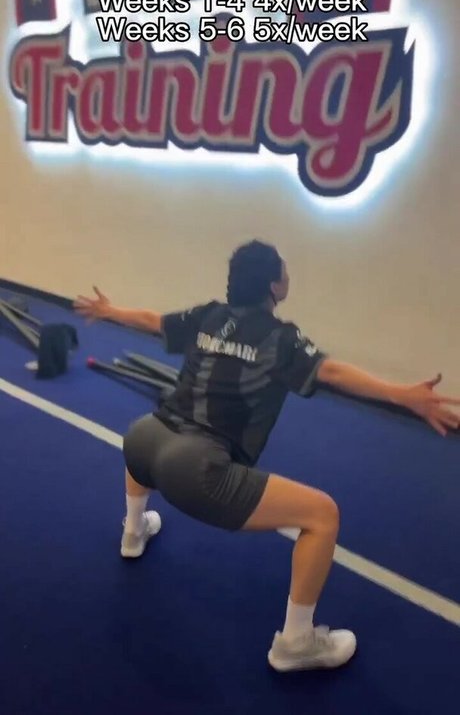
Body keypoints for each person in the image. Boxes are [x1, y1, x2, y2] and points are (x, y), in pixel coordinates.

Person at [74, 240, 460, 672]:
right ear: (274, 286)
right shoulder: (281, 338)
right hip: (194, 468)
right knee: (322, 515)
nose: (288, 276)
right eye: (285, 272)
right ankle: (296, 644)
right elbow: (331, 371)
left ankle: (132, 532)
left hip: (143, 438)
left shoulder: (209, 315)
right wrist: (401, 395)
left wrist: (110, 311)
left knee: (153, 440)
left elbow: (152, 321)